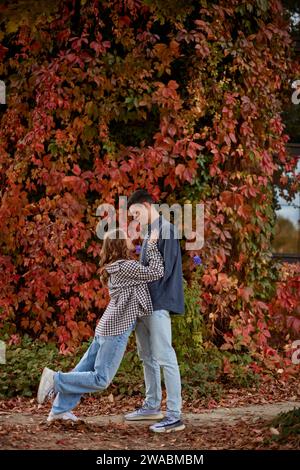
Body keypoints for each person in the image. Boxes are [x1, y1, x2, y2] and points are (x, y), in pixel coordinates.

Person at [37, 227, 164, 422]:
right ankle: (55, 379)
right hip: (116, 331)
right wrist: (153, 246)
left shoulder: (118, 267)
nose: (131, 237)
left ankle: (60, 410)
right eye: (126, 235)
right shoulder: (125, 267)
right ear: (120, 243)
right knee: (101, 379)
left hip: (106, 327)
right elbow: (156, 271)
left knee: (82, 372)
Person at [125, 189, 185, 433]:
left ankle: (174, 415)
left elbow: (164, 271)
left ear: (148, 205)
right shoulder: (150, 231)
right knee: (146, 356)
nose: (134, 219)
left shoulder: (167, 230)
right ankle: (151, 406)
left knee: (165, 356)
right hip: (144, 303)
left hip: (158, 303)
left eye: (136, 213)